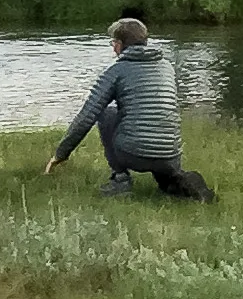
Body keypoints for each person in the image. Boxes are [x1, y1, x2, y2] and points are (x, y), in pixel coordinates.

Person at [43, 18, 214, 201]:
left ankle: (120, 179)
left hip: (133, 155)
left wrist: (60, 155)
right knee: (155, 111)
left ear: (119, 45)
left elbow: (86, 117)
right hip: (170, 155)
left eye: (113, 43)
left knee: (107, 112)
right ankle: (174, 179)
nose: (113, 48)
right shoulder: (166, 67)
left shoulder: (116, 71)